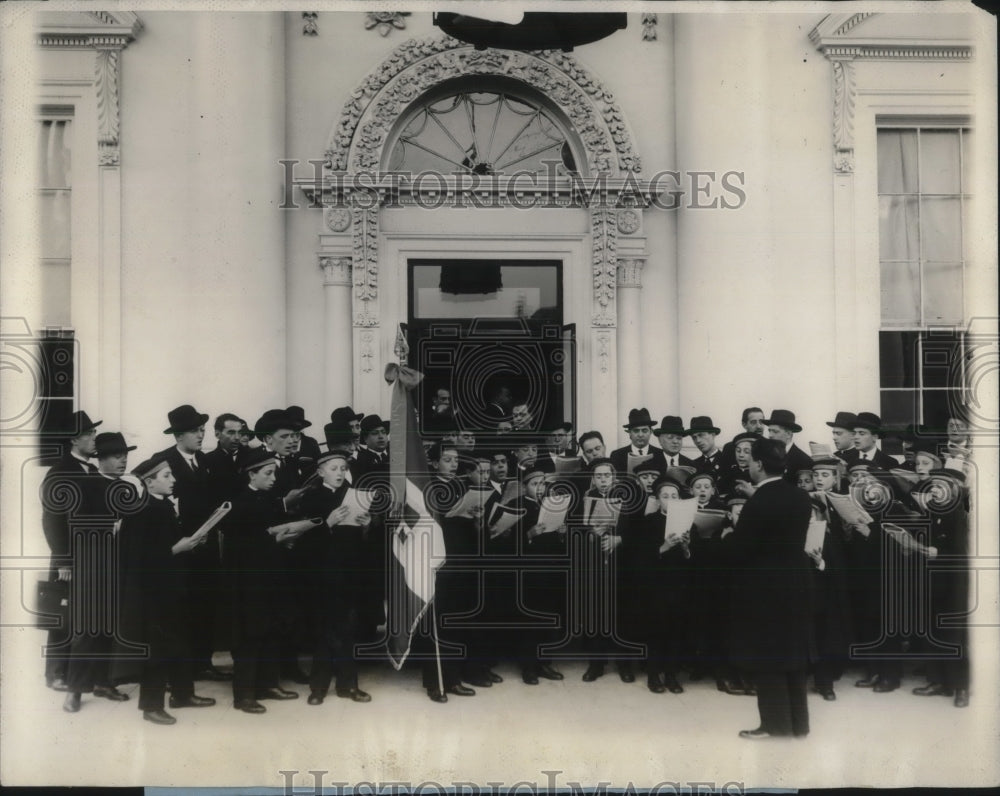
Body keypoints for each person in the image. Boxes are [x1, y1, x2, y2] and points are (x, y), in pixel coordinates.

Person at [115, 453, 216, 724]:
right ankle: (151, 706)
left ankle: (182, 694)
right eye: (167, 476)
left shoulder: (162, 506)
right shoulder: (142, 511)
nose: (174, 479)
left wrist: (192, 541)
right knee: (157, 650)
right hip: (154, 594)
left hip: (173, 587)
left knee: (181, 641)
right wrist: (177, 547)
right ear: (149, 482)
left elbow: (166, 545)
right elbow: (139, 559)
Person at [727, 438, 815, 739]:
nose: (748, 466)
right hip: (797, 582)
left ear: (760, 465)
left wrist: (727, 534)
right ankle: (798, 724)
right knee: (793, 654)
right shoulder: (801, 497)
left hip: (765, 587)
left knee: (768, 655)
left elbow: (740, 550)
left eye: (751, 461)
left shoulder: (758, 503)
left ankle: (774, 725)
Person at [221, 448, 300, 713]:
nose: (273, 478)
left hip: (271, 576)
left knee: (271, 629)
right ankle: (243, 695)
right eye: (267, 473)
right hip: (248, 582)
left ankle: (268, 684)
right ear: (250, 474)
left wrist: (285, 538)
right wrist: (272, 538)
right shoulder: (238, 504)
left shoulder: (268, 499)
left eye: (274, 472)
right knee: (250, 635)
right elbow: (239, 547)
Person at [62, 431, 136, 712]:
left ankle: (104, 683)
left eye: (125, 457)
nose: (123, 462)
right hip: (90, 568)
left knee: (110, 628)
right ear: (101, 459)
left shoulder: (128, 488)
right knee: (86, 631)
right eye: (117, 457)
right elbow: (73, 526)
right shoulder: (86, 484)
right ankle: (75, 691)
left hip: (118, 567)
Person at [156, 404, 229, 682]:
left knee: (206, 603)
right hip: (179, 548)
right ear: (178, 435)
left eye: (202, 430)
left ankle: (203, 662)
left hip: (206, 546)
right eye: (194, 431)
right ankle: (179, 669)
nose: (201, 435)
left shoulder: (205, 462)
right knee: (180, 608)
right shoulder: (162, 461)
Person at [299, 449, 373, 705]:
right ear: (320, 472)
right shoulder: (310, 498)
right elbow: (302, 540)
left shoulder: (354, 495)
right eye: (334, 469)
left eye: (343, 468)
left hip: (349, 571)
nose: (340, 473)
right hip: (322, 573)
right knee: (323, 629)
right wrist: (327, 523)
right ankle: (318, 687)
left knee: (347, 628)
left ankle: (348, 685)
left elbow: (363, 542)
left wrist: (366, 525)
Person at [39, 410, 101, 692]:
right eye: (90, 434)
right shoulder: (60, 471)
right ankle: (56, 674)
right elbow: (51, 520)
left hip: (91, 555)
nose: (94, 438)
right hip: (69, 557)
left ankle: (79, 672)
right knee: (63, 612)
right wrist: (64, 560)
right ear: (75, 440)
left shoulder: (93, 470)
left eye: (94, 433)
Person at [636, 475, 691, 694]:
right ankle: (653, 674)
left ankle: (671, 674)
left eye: (674, 496)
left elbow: (692, 561)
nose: (670, 499)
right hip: (656, 586)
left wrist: (687, 547)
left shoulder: (688, 523)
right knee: (656, 630)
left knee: (675, 630)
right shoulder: (648, 522)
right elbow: (640, 558)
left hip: (678, 585)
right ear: (658, 500)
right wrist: (664, 547)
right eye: (665, 496)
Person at [204, 413, 248, 504]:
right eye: (231, 432)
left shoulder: (252, 457)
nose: (237, 437)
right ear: (217, 434)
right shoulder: (206, 461)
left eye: (239, 432)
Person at [763, 409, 814, 484]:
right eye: (769, 431)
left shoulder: (804, 461)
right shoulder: (766, 456)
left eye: (775, 431)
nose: (770, 435)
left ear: (789, 434)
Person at [610, 408, 666, 474]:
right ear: (630, 433)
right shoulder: (617, 455)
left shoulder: (660, 455)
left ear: (651, 431)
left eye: (644, 430)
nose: (640, 435)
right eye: (636, 431)